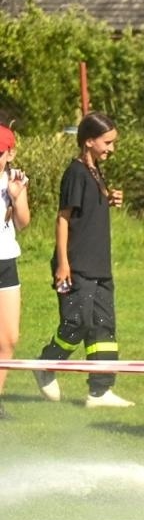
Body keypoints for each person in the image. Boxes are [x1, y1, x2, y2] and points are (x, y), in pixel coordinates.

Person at [34, 113, 134, 408]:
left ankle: (100, 391)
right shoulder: (76, 173)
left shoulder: (95, 171)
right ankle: (46, 364)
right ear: (89, 141)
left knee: (103, 325)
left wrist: (111, 198)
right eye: (107, 142)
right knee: (76, 321)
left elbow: (89, 211)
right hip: (76, 264)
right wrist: (64, 264)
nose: (111, 149)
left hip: (99, 264)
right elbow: (63, 219)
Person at [0, 123, 31, 419]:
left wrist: (16, 195)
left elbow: (23, 223)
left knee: (8, 338)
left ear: (10, 153)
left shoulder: (16, 180)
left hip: (5, 263)